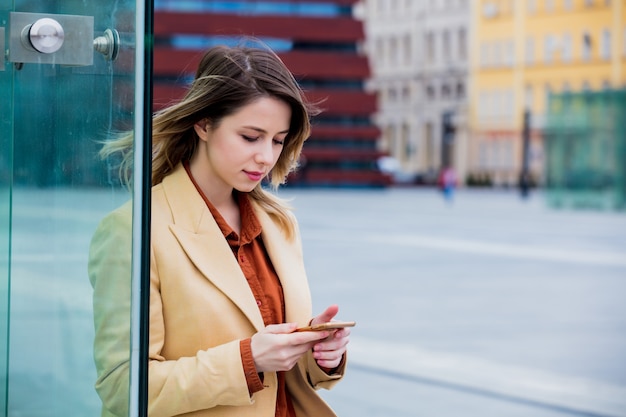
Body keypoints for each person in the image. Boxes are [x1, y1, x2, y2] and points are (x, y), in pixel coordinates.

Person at [88, 44, 351, 417]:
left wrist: (321, 355)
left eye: (278, 140)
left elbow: (283, 374)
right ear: (204, 124)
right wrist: (247, 359)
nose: (266, 156)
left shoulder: (278, 223)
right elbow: (122, 388)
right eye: (250, 136)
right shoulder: (133, 230)